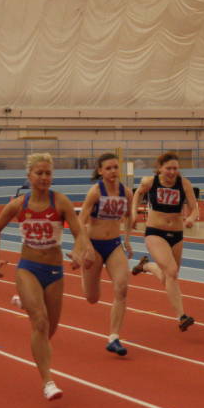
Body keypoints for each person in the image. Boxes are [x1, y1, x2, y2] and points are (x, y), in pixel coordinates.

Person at [0, 153, 92, 401]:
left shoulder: (60, 202)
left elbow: (80, 233)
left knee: (48, 332)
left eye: (48, 173)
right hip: (28, 268)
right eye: (39, 173)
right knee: (40, 322)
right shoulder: (18, 205)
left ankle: (25, 301)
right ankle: (48, 381)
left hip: (54, 271)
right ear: (29, 176)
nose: (44, 177)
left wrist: (79, 252)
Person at [130, 152, 199, 331]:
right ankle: (182, 316)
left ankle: (146, 266)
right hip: (155, 232)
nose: (172, 172)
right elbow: (137, 194)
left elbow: (195, 208)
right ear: (160, 168)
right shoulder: (150, 182)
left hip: (177, 234)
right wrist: (133, 213)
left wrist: (191, 218)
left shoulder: (184, 183)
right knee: (172, 271)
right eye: (168, 168)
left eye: (175, 168)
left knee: (170, 276)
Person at [77, 153, 134, 356]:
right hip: (93, 244)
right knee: (92, 298)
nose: (113, 171)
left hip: (114, 245)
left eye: (115, 167)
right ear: (100, 171)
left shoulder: (126, 192)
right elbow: (80, 221)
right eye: (108, 168)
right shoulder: (95, 192)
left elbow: (129, 217)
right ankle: (84, 272)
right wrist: (87, 248)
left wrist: (127, 239)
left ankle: (114, 337)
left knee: (122, 287)